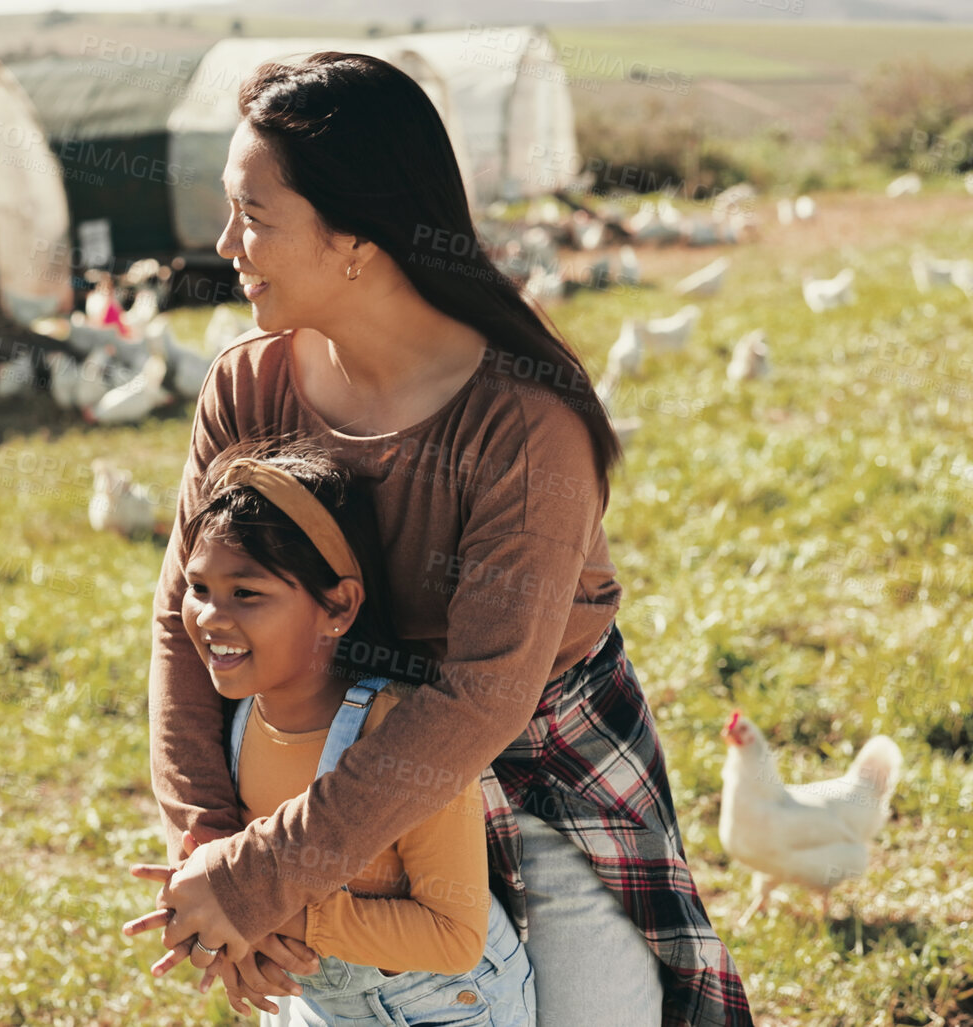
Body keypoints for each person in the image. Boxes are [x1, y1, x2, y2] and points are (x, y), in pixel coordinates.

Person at [139, 51, 753, 1026]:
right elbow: (185, 619)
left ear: (356, 242)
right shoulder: (246, 387)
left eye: (254, 217)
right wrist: (217, 855)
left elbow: (479, 698)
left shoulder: (524, 422)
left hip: (533, 754)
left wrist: (270, 870)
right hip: (329, 759)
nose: (227, 244)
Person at [124, 438, 535, 1026]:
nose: (211, 616)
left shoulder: (398, 733)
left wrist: (262, 908)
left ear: (338, 607)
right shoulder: (235, 721)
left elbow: (454, 938)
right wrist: (228, 926)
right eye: (198, 589)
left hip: (446, 1009)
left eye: (246, 593)